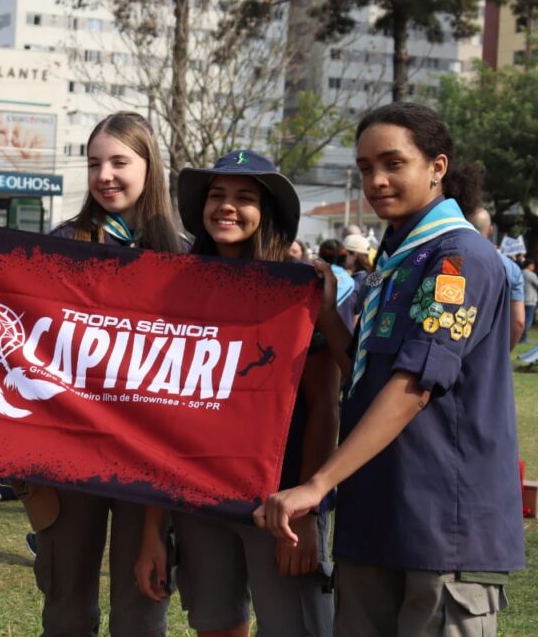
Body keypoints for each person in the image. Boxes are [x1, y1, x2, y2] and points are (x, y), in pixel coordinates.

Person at [255, 103, 525, 636]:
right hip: (376, 520)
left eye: (392, 163)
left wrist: (317, 484)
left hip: (441, 532)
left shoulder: (457, 260)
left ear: (437, 167)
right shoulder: (396, 262)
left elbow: (413, 388)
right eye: (363, 167)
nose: (376, 181)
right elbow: (366, 374)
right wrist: (329, 314)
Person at [135, 150, 341, 637]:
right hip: (198, 502)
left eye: (244, 198)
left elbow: (324, 410)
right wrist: (152, 528)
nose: (227, 207)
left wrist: (308, 512)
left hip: (281, 504)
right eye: (217, 196)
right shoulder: (174, 290)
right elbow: (160, 416)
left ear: (267, 213)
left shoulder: (299, 291)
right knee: (217, 627)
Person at [37, 112, 184, 637]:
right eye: (95, 163)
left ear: (150, 168)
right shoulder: (58, 246)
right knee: (66, 606)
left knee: (142, 607)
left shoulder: (183, 258)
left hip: (148, 463)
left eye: (120, 162)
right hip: (68, 451)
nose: (105, 175)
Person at [467, 208, 525, 348]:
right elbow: (518, 322)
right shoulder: (512, 269)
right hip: (492, 352)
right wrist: (505, 354)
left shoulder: (451, 260)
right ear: (491, 230)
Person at [523, 259, 538, 342]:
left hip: (522, 299)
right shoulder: (531, 275)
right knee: (528, 321)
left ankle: (521, 337)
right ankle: (523, 338)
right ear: (529, 265)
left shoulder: (520, 272)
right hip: (531, 300)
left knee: (523, 319)